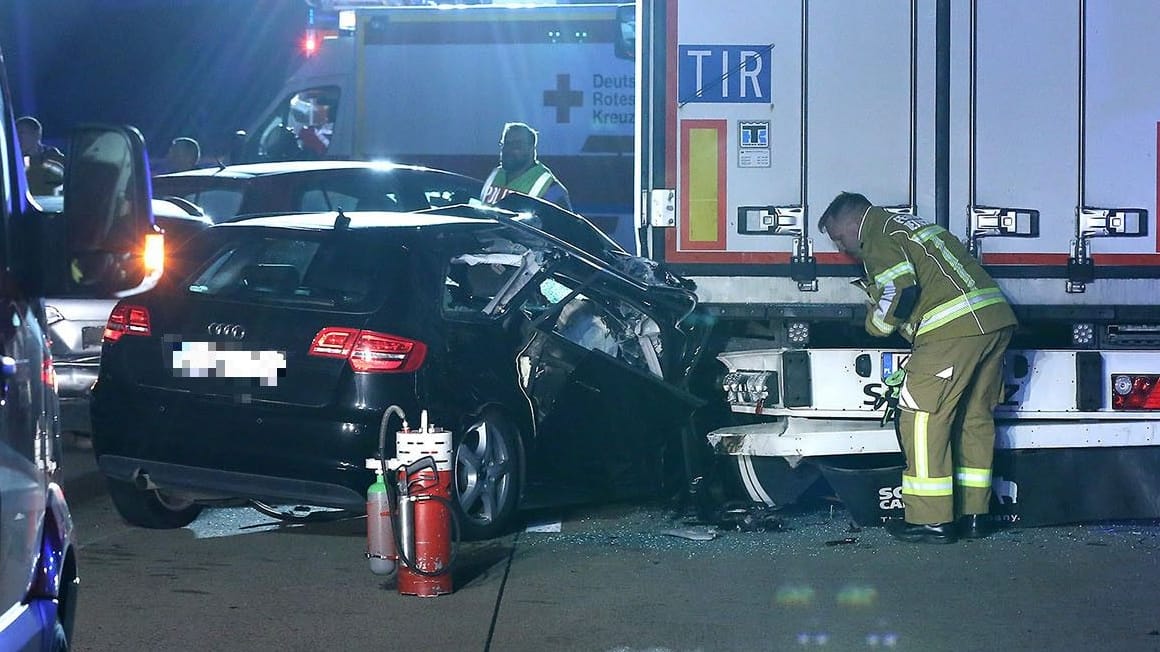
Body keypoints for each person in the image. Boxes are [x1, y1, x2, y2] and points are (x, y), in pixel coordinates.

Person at [818, 191, 1017, 544]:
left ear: (852, 221)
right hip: (994, 321)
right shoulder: (910, 226)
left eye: (838, 237)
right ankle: (975, 515)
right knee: (974, 419)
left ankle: (931, 519)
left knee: (922, 417)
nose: (841, 248)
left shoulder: (877, 233)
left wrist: (876, 326)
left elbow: (900, 288)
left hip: (952, 329)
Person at [480, 122, 572, 211]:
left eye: (516, 145)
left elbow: (565, 225)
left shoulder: (550, 187)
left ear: (531, 148)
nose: (508, 149)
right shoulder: (496, 174)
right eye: (506, 143)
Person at [16, 116, 66, 196]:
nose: (17, 138)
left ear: (36, 135)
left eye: (21, 133)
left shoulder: (56, 161)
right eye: (15, 134)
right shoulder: (12, 163)